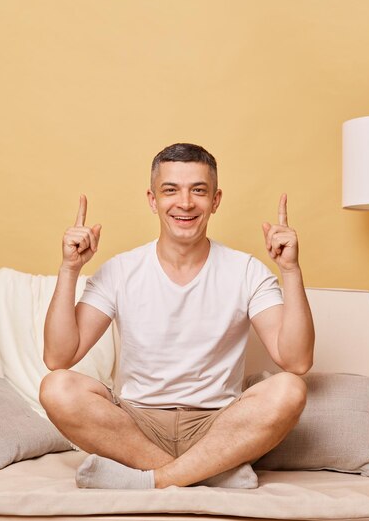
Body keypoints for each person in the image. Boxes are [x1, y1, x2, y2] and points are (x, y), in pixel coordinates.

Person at [40, 143, 314, 490]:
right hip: (136, 425)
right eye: (171, 190)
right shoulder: (121, 270)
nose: (185, 203)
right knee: (57, 388)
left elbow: (297, 361)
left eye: (198, 190)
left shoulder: (246, 270)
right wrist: (69, 269)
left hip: (218, 426)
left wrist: (289, 270)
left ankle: (154, 480)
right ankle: (209, 473)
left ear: (215, 200)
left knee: (290, 389)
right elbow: (58, 357)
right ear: (153, 200)